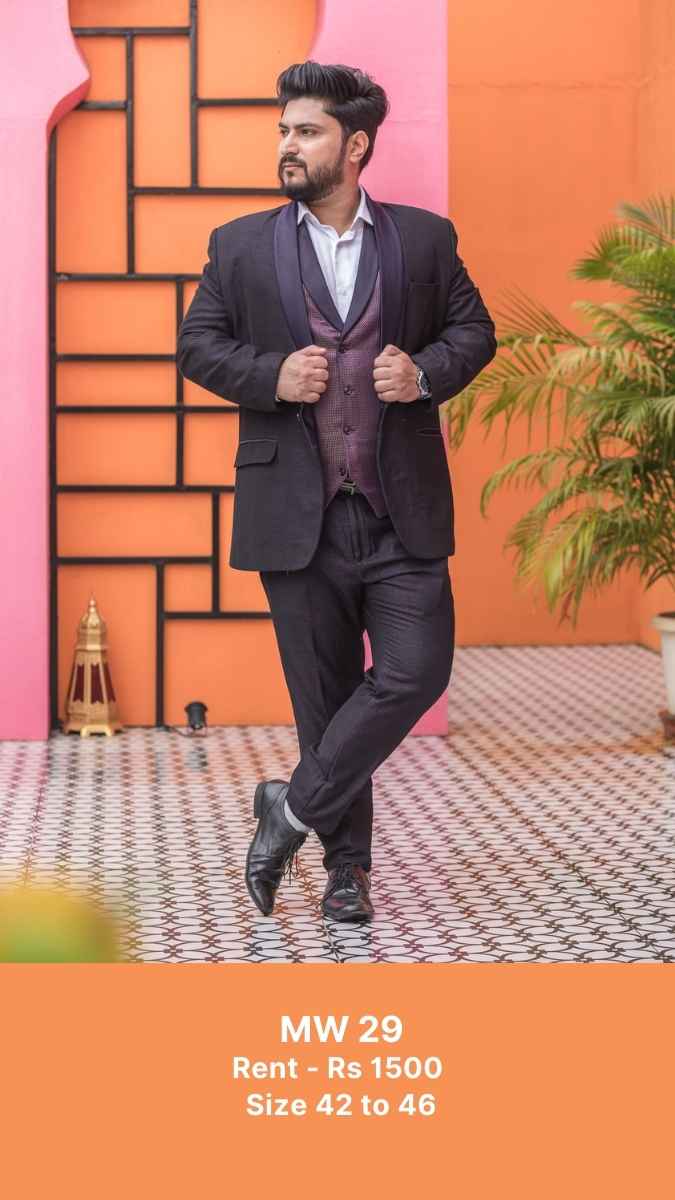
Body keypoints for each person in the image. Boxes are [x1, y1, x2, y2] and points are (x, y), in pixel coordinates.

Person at [177, 60, 497, 924]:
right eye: (284, 130)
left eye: (306, 131)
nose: (287, 144)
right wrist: (271, 375)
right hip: (295, 513)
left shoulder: (423, 239)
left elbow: (474, 331)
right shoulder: (239, 245)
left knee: (413, 673)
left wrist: (424, 373)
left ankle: (287, 810)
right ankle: (345, 873)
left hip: (399, 509)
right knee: (323, 703)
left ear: (354, 146)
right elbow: (198, 346)